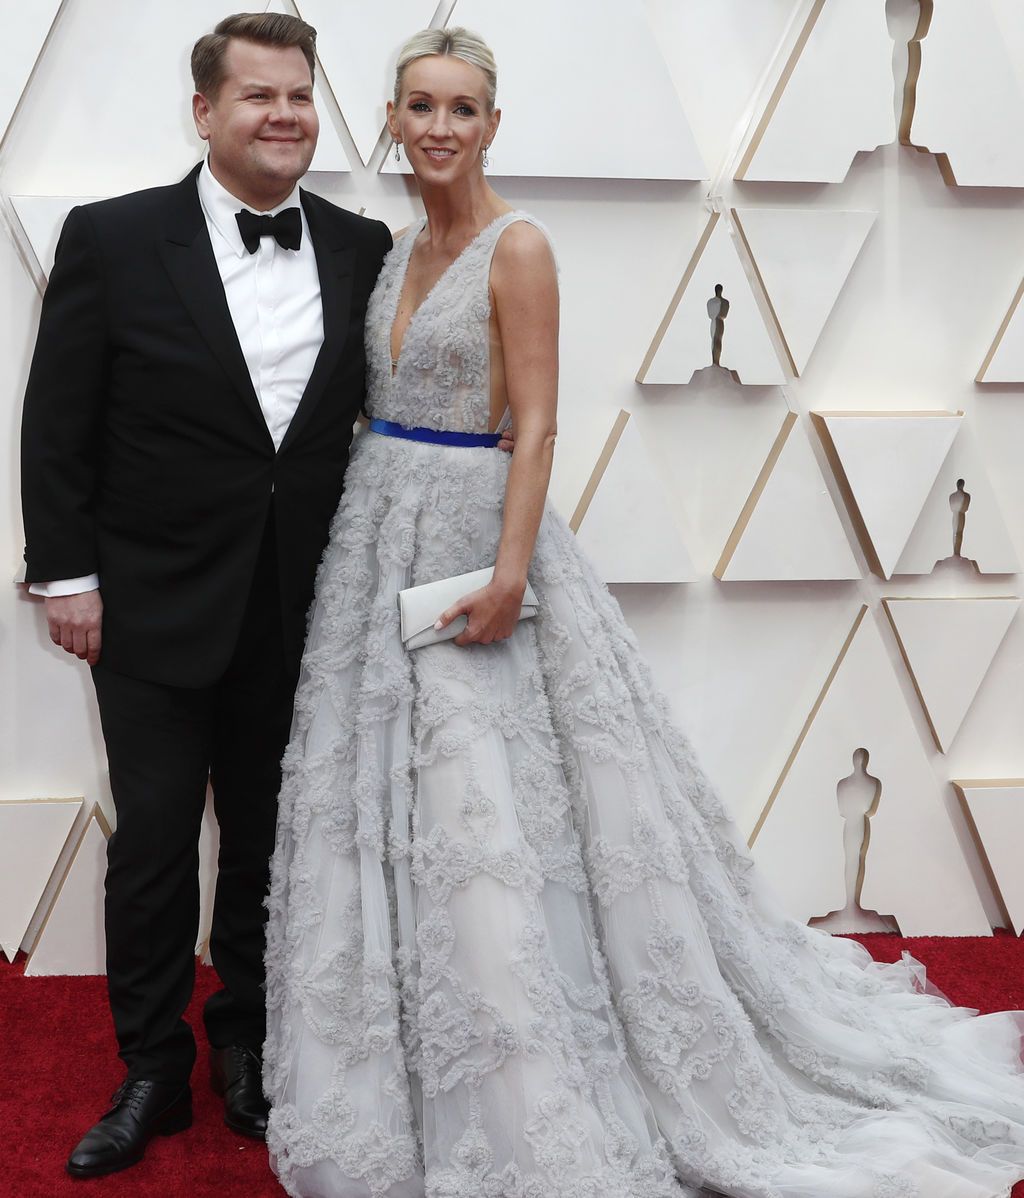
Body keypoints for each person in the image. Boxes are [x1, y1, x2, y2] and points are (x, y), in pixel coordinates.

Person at [263, 26, 1024, 1198]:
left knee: (483, 805)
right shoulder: (398, 246)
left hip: (475, 546)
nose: (438, 127)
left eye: (461, 108)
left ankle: (520, 1074)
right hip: (377, 545)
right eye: (418, 105)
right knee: (384, 796)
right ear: (393, 118)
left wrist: (508, 572)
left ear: (493, 124)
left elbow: (537, 424)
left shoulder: (520, 246)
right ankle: (407, 1061)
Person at [19, 11, 393, 1179]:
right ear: (204, 111)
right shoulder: (114, 236)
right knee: (153, 845)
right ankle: (149, 1067)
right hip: (147, 602)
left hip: (299, 604)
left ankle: (248, 1044)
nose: (283, 115)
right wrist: (67, 576)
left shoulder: (363, 244)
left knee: (270, 844)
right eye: (257, 95)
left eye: (298, 95)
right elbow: (56, 420)